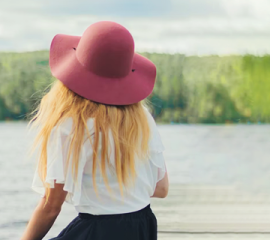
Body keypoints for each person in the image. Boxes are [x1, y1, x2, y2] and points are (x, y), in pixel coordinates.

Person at [21, 21, 169, 240]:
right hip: (142, 228)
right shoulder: (142, 119)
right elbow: (161, 189)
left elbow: (51, 206)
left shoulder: (69, 126)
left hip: (99, 232)